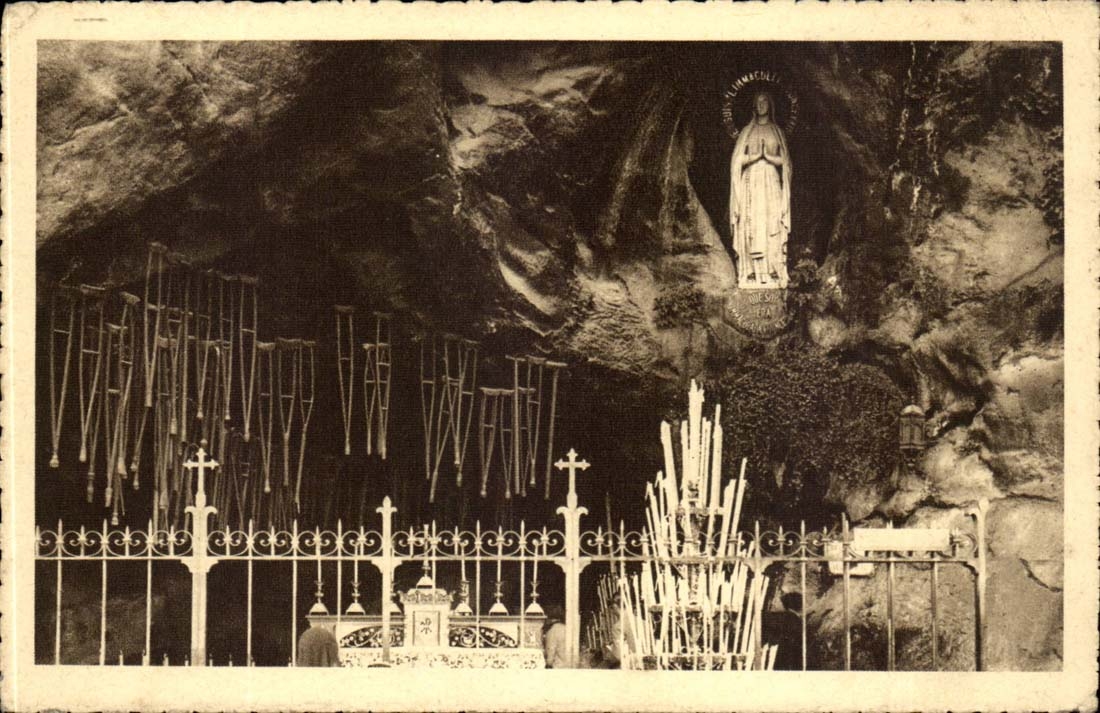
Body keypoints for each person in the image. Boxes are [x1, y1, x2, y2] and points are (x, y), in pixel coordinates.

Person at [729, 91, 792, 289]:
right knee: (753, 224)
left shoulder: (777, 131)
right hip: (751, 181)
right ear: (754, 106)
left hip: (771, 181)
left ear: (770, 105)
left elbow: (787, 162)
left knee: (771, 222)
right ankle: (753, 272)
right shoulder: (747, 131)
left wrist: (769, 158)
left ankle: (773, 270)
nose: (762, 104)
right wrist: (755, 157)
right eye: (758, 101)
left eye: (765, 101)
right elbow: (737, 161)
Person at [542, 604, 568, 669]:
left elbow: (550, 655)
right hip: (569, 666)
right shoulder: (566, 628)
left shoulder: (552, 631)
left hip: (558, 667)